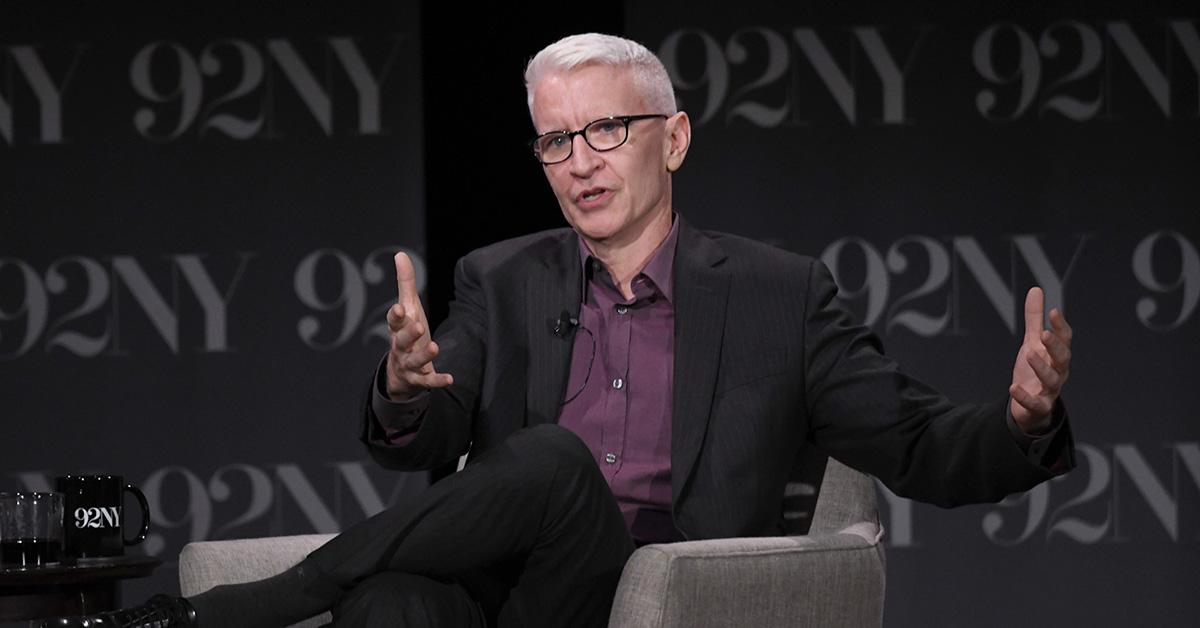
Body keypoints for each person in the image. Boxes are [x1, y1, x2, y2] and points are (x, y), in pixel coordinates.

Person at [45, 32, 1075, 628]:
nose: (578, 160)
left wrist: (1023, 418)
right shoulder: (500, 278)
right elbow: (434, 447)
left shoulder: (778, 292)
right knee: (391, 606)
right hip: (510, 593)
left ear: (670, 139)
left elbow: (918, 444)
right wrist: (408, 389)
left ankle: (241, 612)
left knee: (552, 459)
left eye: (604, 131)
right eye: (553, 139)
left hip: (652, 592)